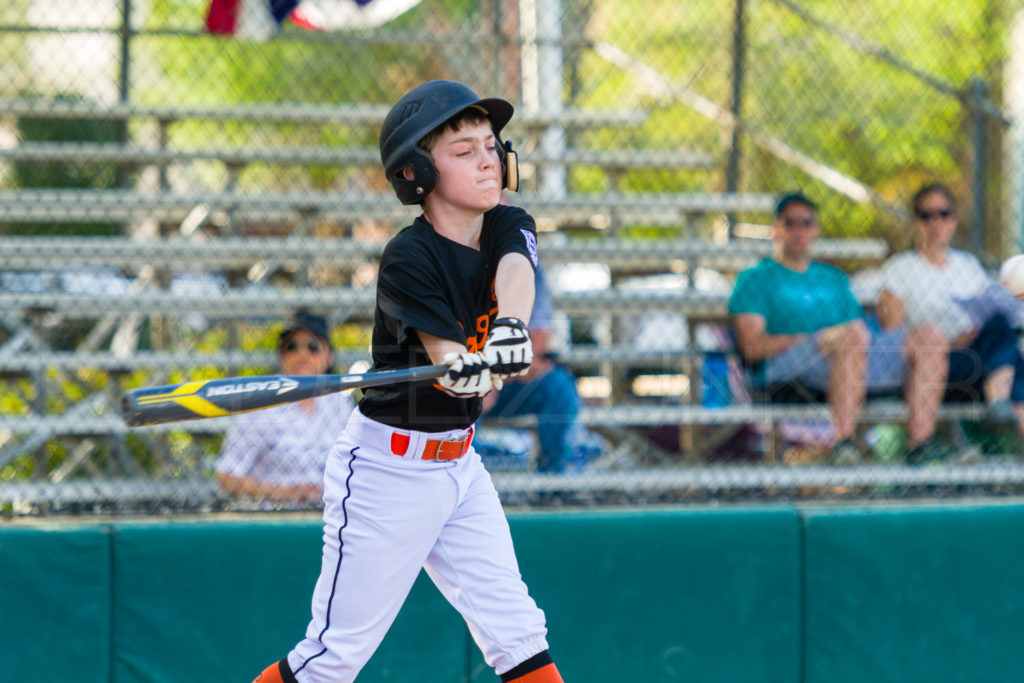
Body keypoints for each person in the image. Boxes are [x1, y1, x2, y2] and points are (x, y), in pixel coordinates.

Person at [251, 80, 563, 683]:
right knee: (331, 659)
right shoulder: (407, 257)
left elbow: (516, 271)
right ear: (418, 172)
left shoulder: (506, 222)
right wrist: (468, 369)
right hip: (386, 475)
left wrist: (510, 329)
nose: (487, 160)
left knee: (519, 634)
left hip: (461, 469)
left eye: (491, 146)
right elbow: (450, 366)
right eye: (464, 150)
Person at [728, 191, 947, 464]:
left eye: (806, 223)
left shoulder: (833, 278)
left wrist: (848, 338)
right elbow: (752, 348)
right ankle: (843, 443)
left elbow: (857, 327)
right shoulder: (755, 278)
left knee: (930, 337)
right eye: (790, 223)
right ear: (776, 229)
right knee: (849, 337)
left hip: (848, 355)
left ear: (816, 230)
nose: (799, 230)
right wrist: (811, 337)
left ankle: (920, 447)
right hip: (788, 363)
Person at [877, 182, 1024, 458]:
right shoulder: (900, 268)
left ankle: (999, 401)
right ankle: (1000, 405)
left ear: (954, 220)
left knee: (1002, 326)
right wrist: (947, 341)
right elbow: (893, 334)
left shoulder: (967, 265)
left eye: (944, 214)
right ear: (915, 221)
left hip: (978, 358)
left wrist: (974, 330)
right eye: (926, 215)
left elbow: (989, 310)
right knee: (1015, 361)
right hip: (934, 363)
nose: (936, 222)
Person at [215, 310, 354, 503]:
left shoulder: (338, 403)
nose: (302, 354)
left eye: (313, 347)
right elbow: (227, 476)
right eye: (292, 346)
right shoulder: (261, 405)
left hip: (332, 511)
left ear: (329, 357)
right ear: (282, 356)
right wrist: (284, 493)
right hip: (276, 515)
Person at [480, 262, 586, 473]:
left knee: (558, 386)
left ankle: (553, 487)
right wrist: (483, 375)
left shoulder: (526, 263)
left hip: (509, 377)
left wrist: (494, 374)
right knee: (465, 389)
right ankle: (463, 486)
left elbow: (537, 338)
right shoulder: (455, 258)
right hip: (470, 375)